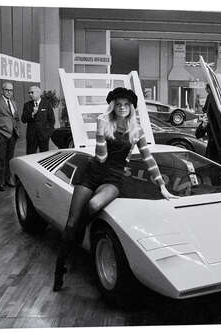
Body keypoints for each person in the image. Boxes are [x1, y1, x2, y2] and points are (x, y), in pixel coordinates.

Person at [53, 87, 178, 291]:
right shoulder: (104, 122)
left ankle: (77, 237)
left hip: (113, 177)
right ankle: (60, 269)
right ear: (113, 106)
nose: (122, 108)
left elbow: (148, 159)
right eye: (118, 104)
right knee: (71, 222)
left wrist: (162, 187)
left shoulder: (137, 131)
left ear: (131, 108)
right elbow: (101, 157)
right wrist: (101, 130)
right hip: (92, 171)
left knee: (93, 205)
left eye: (126, 105)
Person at [0, 82, 20, 191]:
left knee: (9, 159)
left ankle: (8, 180)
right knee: (1, 158)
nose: (9, 92)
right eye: (7, 90)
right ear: (2, 90)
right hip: (1, 134)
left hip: (12, 135)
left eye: (11, 90)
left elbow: (16, 118)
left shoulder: (14, 103)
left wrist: (17, 131)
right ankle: (0, 182)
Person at [21, 86, 55, 154]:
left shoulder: (47, 104)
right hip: (31, 136)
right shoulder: (27, 105)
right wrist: (32, 114)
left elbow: (52, 120)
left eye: (32, 92)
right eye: (29, 93)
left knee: (44, 156)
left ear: (38, 93)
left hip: (44, 136)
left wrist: (48, 133)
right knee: (30, 156)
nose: (30, 94)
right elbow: (23, 120)